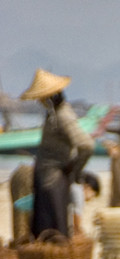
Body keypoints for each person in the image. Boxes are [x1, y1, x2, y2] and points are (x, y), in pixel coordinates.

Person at [20, 68, 94, 239]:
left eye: (41, 99)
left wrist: (73, 171)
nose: (39, 101)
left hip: (53, 183)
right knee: (42, 228)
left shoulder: (63, 116)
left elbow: (86, 145)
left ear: (49, 98)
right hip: (46, 180)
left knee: (53, 229)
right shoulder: (53, 115)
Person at [70, 171, 101, 235]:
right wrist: (78, 231)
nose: (91, 198)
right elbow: (76, 214)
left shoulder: (74, 186)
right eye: (93, 194)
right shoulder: (79, 193)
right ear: (88, 187)